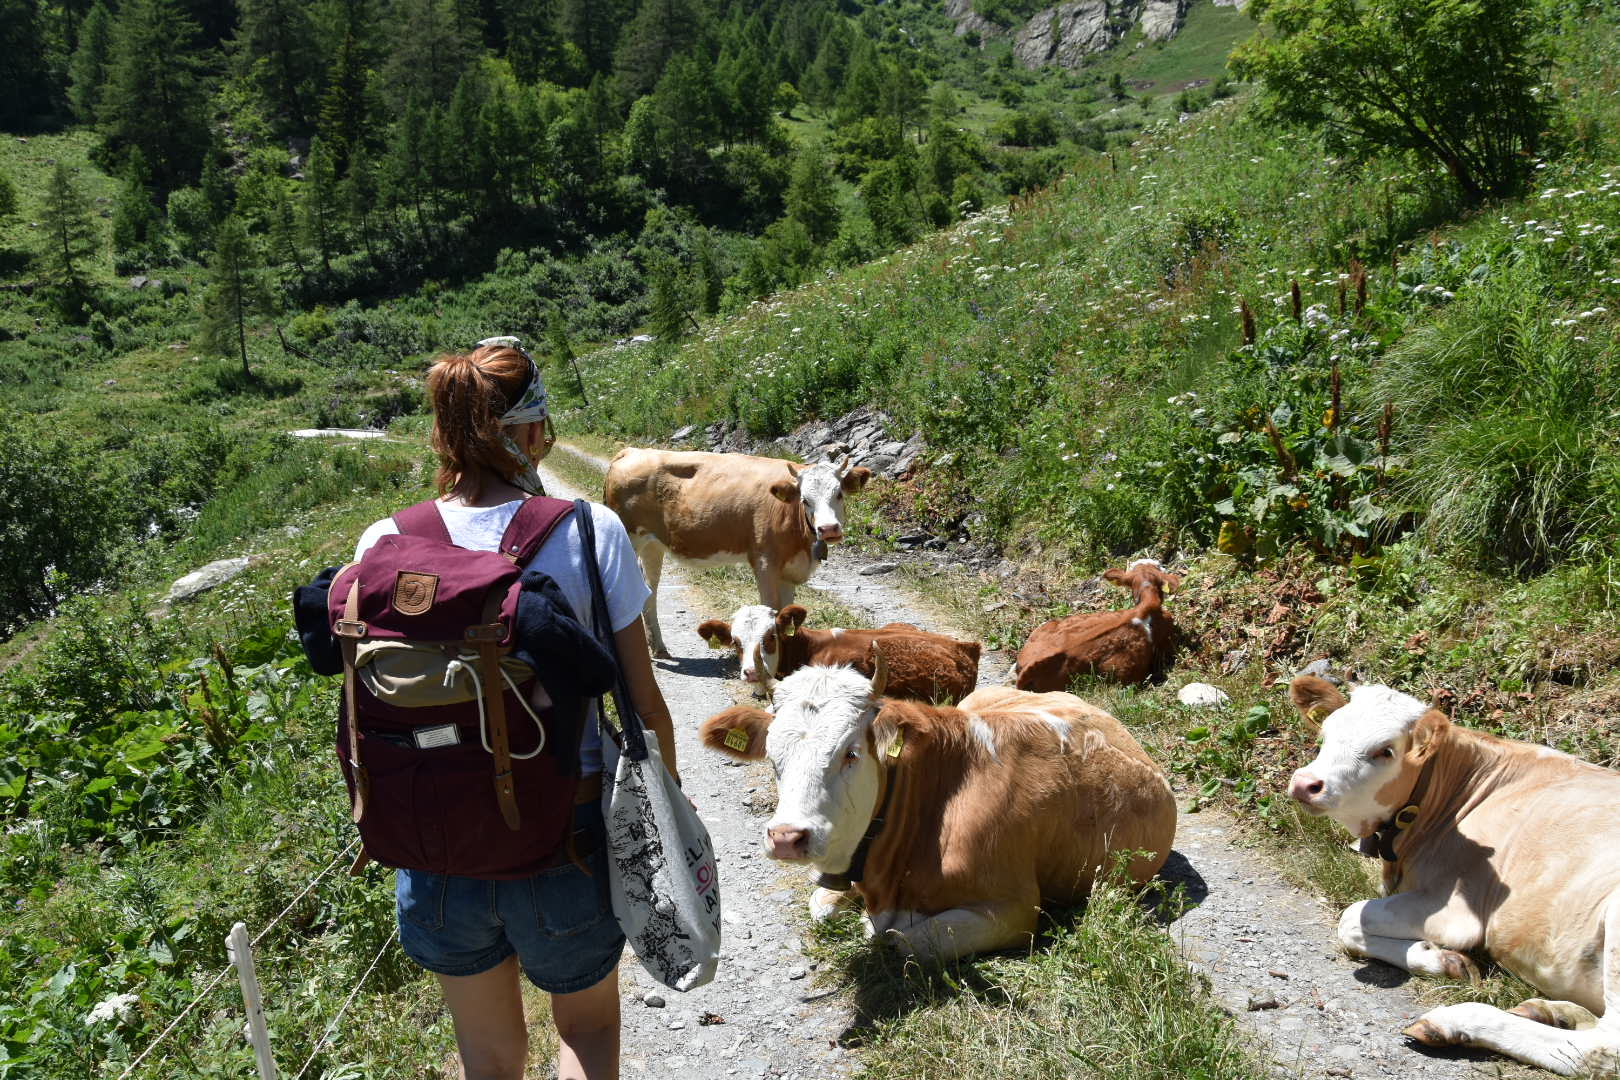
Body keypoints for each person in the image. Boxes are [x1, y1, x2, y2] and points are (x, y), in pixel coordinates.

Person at [351, 336, 680, 1080]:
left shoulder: (386, 540)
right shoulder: (589, 530)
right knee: (587, 1030)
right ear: (531, 431)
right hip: (563, 833)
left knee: (489, 1054)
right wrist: (666, 811)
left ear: (444, 432)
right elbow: (644, 704)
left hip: (435, 848)